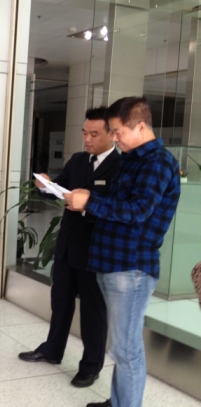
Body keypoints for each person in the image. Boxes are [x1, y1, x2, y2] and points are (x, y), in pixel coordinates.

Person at [64, 97, 181, 407]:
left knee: (126, 349)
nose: (114, 138)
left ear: (140, 126)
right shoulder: (133, 158)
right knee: (121, 346)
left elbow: (138, 211)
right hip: (112, 262)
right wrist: (89, 196)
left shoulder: (157, 162)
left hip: (132, 267)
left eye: (117, 132)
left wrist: (90, 202)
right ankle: (119, 401)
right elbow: (120, 204)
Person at [18, 107, 120, 388]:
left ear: (111, 134)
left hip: (96, 251)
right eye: (84, 133)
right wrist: (45, 185)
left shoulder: (120, 167)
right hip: (67, 246)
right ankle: (52, 350)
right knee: (60, 302)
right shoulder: (78, 160)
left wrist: (86, 206)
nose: (87, 139)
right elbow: (59, 188)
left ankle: (90, 366)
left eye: (94, 134)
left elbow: (119, 210)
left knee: (93, 313)